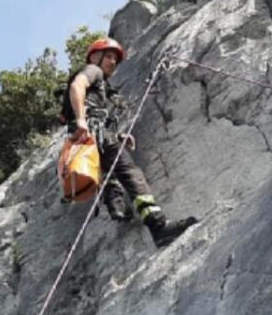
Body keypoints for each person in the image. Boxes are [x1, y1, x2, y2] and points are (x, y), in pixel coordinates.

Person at [64, 38, 197, 247]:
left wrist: (117, 136)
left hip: (95, 137)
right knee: (130, 172)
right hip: (94, 134)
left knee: (112, 171)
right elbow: (77, 86)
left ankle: (117, 205)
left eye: (115, 59)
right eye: (108, 56)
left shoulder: (102, 89)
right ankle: (158, 226)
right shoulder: (93, 71)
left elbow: (96, 112)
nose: (113, 62)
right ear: (94, 57)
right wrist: (81, 119)